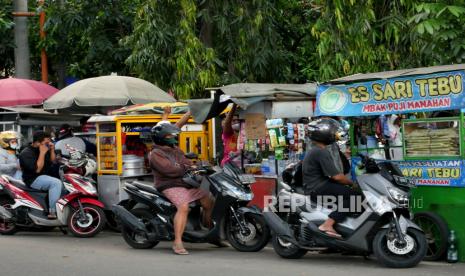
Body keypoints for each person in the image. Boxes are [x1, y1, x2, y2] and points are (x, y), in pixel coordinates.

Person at [149, 123, 213, 255]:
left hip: (184, 183)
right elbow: (169, 170)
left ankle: (211, 233)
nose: (173, 137)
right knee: (184, 207)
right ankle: (177, 242)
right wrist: (187, 167)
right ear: (161, 137)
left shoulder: (176, 150)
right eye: (170, 135)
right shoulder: (155, 154)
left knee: (208, 200)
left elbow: (186, 162)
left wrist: (197, 165)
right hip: (169, 185)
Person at [302, 118, 360, 238]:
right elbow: (337, 177)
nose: (334, 134)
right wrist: (353, 183)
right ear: (324, 134)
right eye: (332, 132)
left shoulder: (315, 150)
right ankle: (327, 224)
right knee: (355, 196)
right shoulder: (321, 152)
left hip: (316, 186)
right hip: (318, 187)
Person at [19, 131, 62, 219]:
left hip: (45, 176)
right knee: (56, 183)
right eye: (46, 142)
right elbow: (37, 170)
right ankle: (52, 211)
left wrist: (52, 149)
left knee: (65, 184)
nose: (49, 144)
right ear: (38, 142)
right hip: (33, 179)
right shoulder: (26, 153)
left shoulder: (44, 148)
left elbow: (53, 161)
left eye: (50, 141)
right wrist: (42, 153)